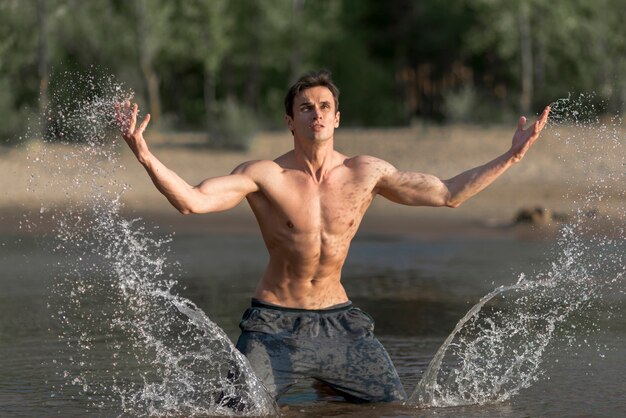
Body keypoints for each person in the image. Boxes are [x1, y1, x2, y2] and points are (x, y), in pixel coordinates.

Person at [116, 70, 550, 403]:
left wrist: (510, 158)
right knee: (237, 410)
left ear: (337, 118)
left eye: (325, 106)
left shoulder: (366, 172)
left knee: (391, 406)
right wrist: (145, 155)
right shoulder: (265, 175)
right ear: (290, 120)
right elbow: (193, 201)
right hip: (273, 324)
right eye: (306, 107)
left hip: (340, 323)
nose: (317, 113)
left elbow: (448, 193)